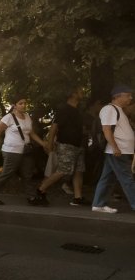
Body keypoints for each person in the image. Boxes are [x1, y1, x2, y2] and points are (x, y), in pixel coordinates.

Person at [0, 97, 50, 205]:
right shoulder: (8, 118)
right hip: (11, 150)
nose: (24, 105)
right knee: (7, 173)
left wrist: (43, 143)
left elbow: (31, 133)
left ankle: (31, 197)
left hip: (26, 150)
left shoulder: (27, 117)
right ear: (14, 105)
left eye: (25, 103)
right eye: (20, 103)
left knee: (27, 174)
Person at [37, 87, 88, 206]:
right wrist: (49, 144)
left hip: (78, 145)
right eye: (80, 91)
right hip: (66, 144)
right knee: (63, 170)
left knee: (78, 171)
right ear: (73, 94)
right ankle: (40, 190)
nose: (83, 93)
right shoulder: (64, 109)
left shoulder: (78, 109)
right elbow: (54, 127)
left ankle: (77, 198)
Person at [91, 84, 135, 214]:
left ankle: (98, 204)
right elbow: (106, 129)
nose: (130, 98)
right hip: (118, 151)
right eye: (128, 95)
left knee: (107, 178)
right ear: (117, 96)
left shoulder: (118, 110)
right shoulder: (109, 109)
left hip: (119, 150)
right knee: (127, 179)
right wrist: (115, 147)